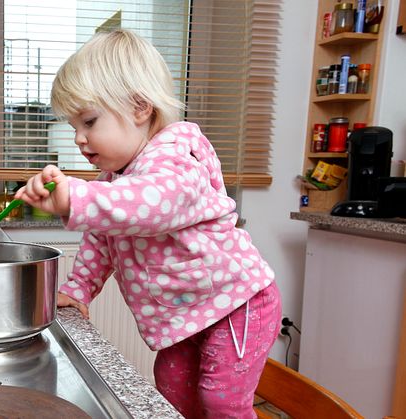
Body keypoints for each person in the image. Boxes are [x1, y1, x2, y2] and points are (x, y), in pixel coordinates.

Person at [14, 29, 281, 418]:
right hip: (185, 315)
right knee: (171, 395)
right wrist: (79, 289)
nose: (79, 139)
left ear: (141, 108)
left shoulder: (176, 158)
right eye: (75, 127)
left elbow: (149, 206)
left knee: (222, 403)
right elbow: (103, 239)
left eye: (89, 121)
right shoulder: (117, 178)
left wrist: (76, 196)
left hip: (237, 306)